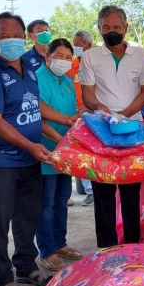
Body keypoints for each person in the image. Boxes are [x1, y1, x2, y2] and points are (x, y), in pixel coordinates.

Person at [0, 12, 76, 286]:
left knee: (27, 216)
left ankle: (26, 267)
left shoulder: (29, 68)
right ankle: (1, 278)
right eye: (4, 36)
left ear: (25, 38)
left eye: (17, 36)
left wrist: (66, 120)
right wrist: (31, 146)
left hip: (29, 158)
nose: (12, 41)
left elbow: (35, 106)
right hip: (1, 159)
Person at [79, 6, 144, 247]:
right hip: (101, 131)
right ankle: (106, 248)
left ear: (126, 28)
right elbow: (87, 94)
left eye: (117, 27)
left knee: (131, 191)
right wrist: (103, 112)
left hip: (133, 131)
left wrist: (123, 116)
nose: (112, 31)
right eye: (106, 27)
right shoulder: (90, 57)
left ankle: (132, 246)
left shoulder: (140, 55)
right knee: (103, 193)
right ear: (99, 29)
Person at [36, 38, 83, 270]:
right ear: (47, 56)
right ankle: (47, 251)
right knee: (45, 202)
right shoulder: (37, 78)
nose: (63, 61)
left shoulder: (66, 80)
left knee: (62, 199)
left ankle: (60, 243)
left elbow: (70, 111)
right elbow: (37, 116)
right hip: (46, 149)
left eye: (67, 57)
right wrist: (59, 140)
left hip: (66, 151)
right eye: (59, 56)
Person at [67, 30, 94, 207]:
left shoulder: (96, 62)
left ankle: (93, 190)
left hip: (93, 112)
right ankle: (87, 191)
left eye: (78, 44)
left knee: (91, 151)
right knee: (78, 151)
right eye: (74, 43)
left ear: (88, 45)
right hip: (75, 114)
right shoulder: (72, 65)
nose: (75, 47)